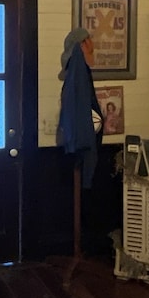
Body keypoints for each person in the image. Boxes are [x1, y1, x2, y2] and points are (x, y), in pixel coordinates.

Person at [56, 27, 103, 189]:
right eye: (89, 41)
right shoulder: (78, 81)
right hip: (81, 147)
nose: (93, 45)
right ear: (82, 45)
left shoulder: (79, 79)